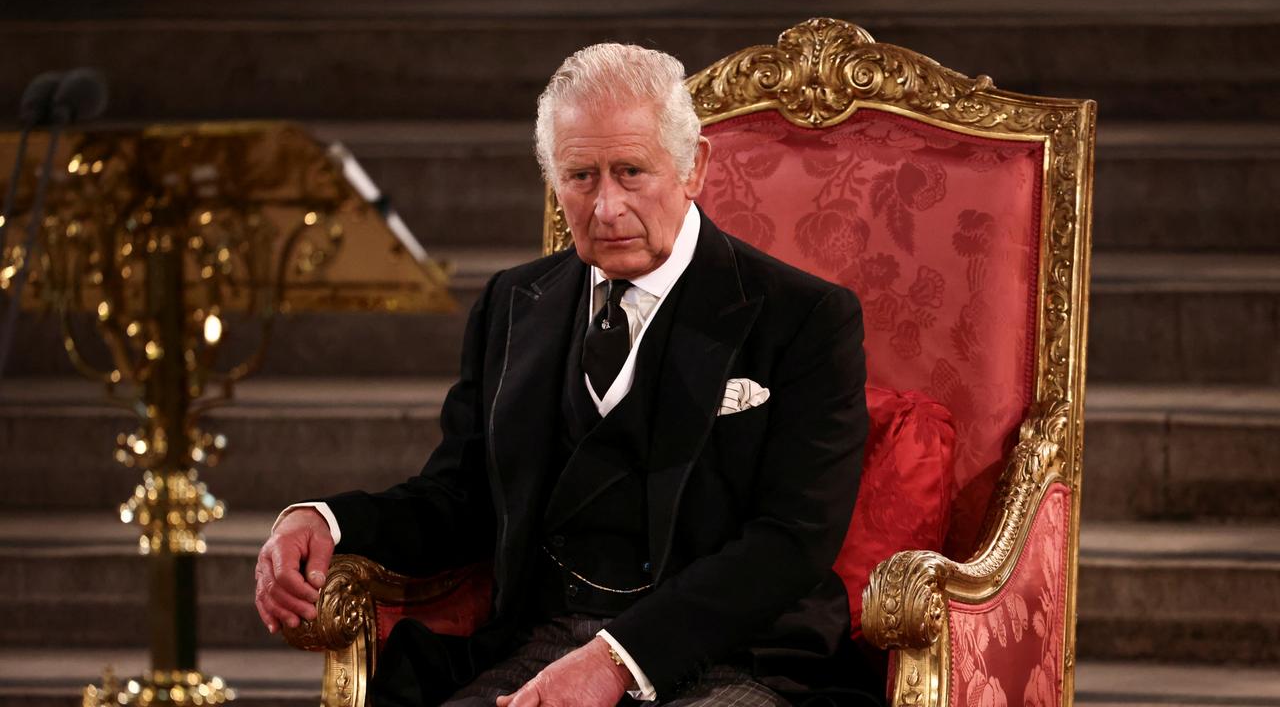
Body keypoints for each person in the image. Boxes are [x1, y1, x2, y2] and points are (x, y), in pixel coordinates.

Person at [255, 43, 870, 707]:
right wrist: (325, 521)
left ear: (693, 168)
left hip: (725, 658)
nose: (605, 207)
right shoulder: (512, 306)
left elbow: (789, 543)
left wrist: (615, 662)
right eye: (581, 176)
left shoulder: (803, 317)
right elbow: (459, 497)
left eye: (631, 172)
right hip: (540, 647)